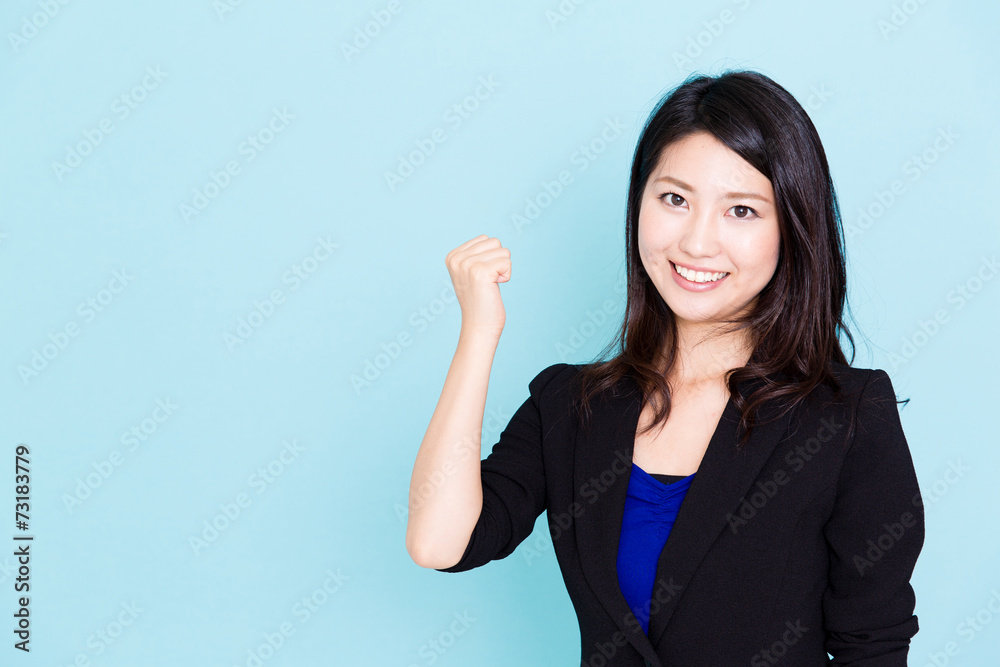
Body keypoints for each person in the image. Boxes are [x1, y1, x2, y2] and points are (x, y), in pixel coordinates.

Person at [405, 70, 924, 666]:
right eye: (675, 199)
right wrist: (479, 333)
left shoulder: (845, 416)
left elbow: (873, 645)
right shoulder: (571, 405)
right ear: (639, 204)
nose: (698, 243)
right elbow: (439, 543)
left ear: (791, 228)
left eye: (742, 210)